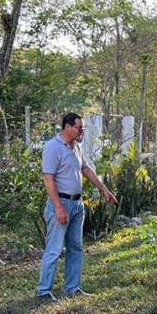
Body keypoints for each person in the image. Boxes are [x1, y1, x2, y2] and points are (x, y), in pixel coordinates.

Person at [37, 113, 117, 302]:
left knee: (76, 247)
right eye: (79, 127)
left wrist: (104, 190)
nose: (82, 131)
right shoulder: (52, 147)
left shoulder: (75, 147)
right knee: (54, 249)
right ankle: (43, 290)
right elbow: (48, 179)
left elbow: (86, 169)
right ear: (67, 127)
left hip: (76, 204)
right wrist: (58, 208)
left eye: (82, 128)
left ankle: (72, 287)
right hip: (61, 203)